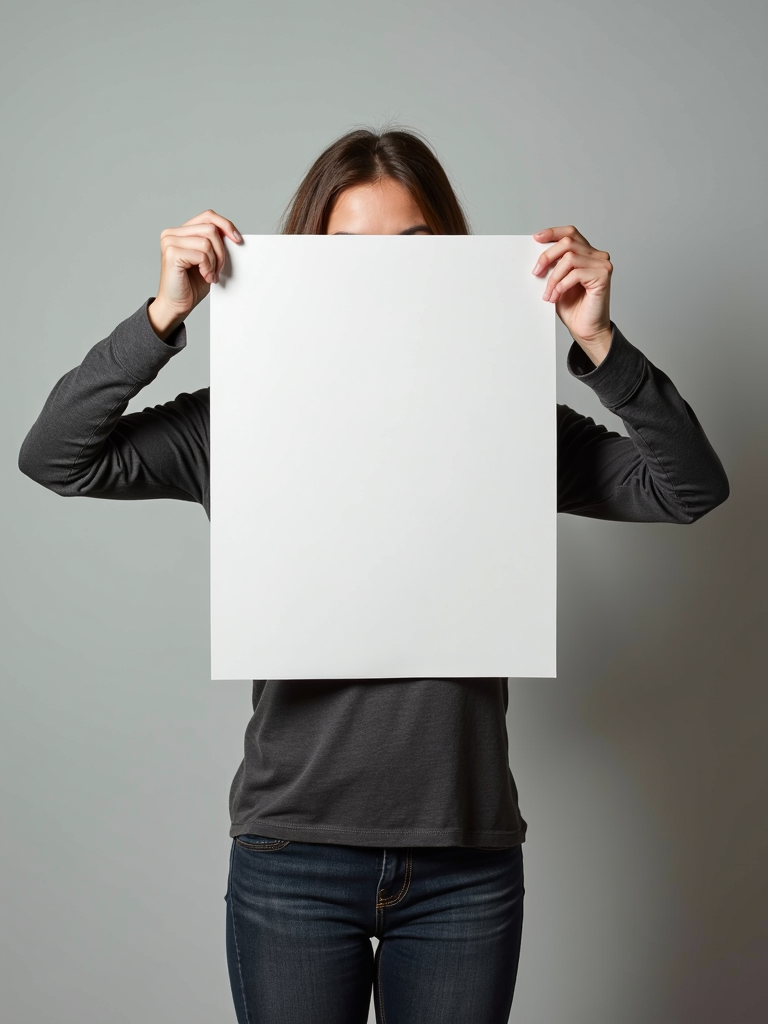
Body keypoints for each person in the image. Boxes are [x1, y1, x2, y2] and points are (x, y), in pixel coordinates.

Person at [17, 125, 730, 1024]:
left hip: (464, 860)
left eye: (413, 251)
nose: (383, 277)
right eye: (349, 254)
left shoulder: (508, 420)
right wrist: (163, 317)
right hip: (293, 854)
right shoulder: (234, 421)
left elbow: (689, 489)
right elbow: (56, 457)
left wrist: (601, 344)